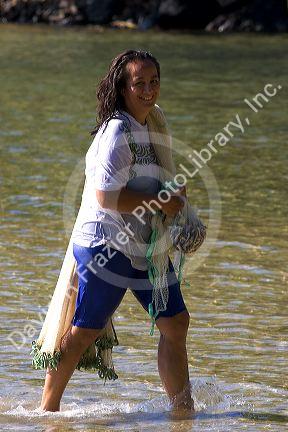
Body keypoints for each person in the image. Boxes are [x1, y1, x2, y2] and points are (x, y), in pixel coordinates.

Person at [40, 49, 193, 413]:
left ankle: (183, 411)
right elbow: (107, 197)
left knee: (175, 322)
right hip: (106, 243)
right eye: (139, 83)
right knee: (86, 330)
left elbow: (150, 182)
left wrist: (172, 193)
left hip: (142, 244)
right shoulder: (117, 131)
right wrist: (160, 201)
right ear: (123, 88)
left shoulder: (151, 123)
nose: (148, 89)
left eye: (154, 81)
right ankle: (47, 410)